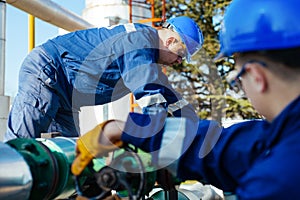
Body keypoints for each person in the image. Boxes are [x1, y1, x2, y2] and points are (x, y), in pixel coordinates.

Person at [71, 0, 300, 199]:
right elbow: (224, 146)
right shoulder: (284, 137)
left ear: (257, 78)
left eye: (237, 79)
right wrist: (127, 129)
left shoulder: (274, 183)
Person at [4, 16, 204, 141]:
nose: (178, 61)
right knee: (20, 146)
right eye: (179, 55)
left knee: (64, 157)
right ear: (169, 41)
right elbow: (150, 93)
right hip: (48, 72)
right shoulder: (139, 42)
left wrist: (196, 128)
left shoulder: (147, 56)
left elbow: (169, 96)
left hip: (66, 94)